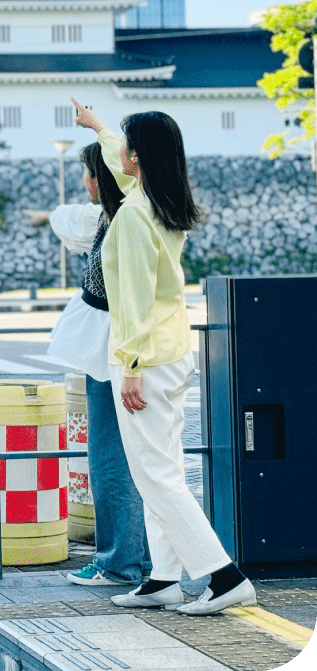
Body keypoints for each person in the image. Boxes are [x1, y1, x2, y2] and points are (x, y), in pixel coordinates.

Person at [71, 98, 256, 616]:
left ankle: (223, 576)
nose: (120, 150)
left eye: (126, 143)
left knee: (155, 475)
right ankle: (163, 579)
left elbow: (131, 298)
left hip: (145, 361)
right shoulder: (161, 202)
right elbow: (119, 165)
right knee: (164, 467)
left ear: (138, 156)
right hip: (172, 354)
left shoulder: (132, 215)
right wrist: (102, 127)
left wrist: (128, 366)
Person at [46, 142, 151, 587]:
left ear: (102, 177)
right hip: (124, 355)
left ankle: (120, 562)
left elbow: (132, 301)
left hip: (117, 357)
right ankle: (139, 560)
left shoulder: (119, 222)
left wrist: (131, 364)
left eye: (89, 174)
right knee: (133, 459)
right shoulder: (135, 212)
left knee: (110, 458)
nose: (85, 183)